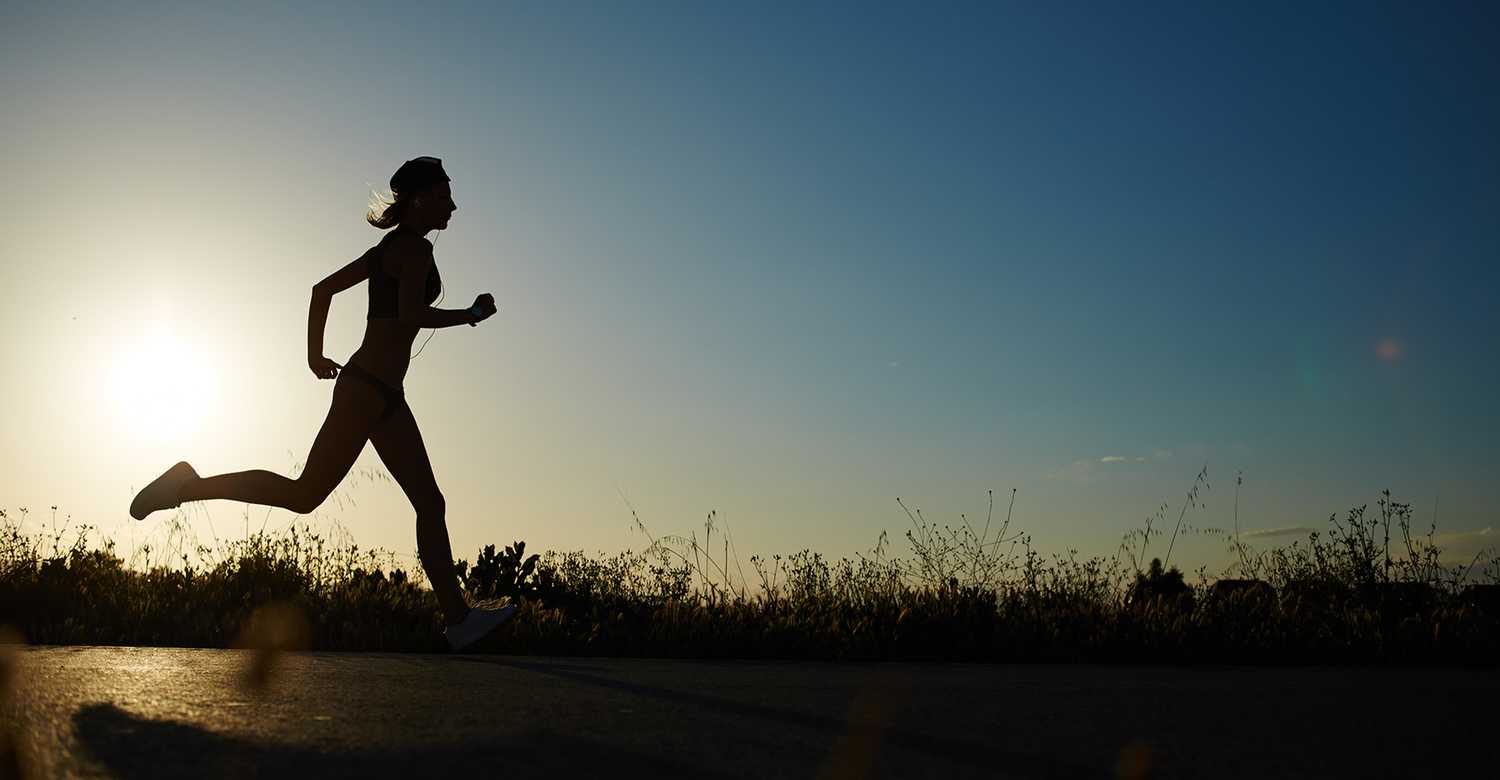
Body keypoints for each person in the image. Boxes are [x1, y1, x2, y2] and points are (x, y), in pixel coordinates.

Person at [129, 156, 514, 651]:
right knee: (304, 495)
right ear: (419, 200)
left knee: (427, 501)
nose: (454, 205)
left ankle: (458, 620)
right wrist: (472, 314)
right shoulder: (412, 249)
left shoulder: (389, 249)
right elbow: (412, 314)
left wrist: (315, 357)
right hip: (366, 390)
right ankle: (188, 484)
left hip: (381, 393)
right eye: (444, 196)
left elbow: (322, 291)